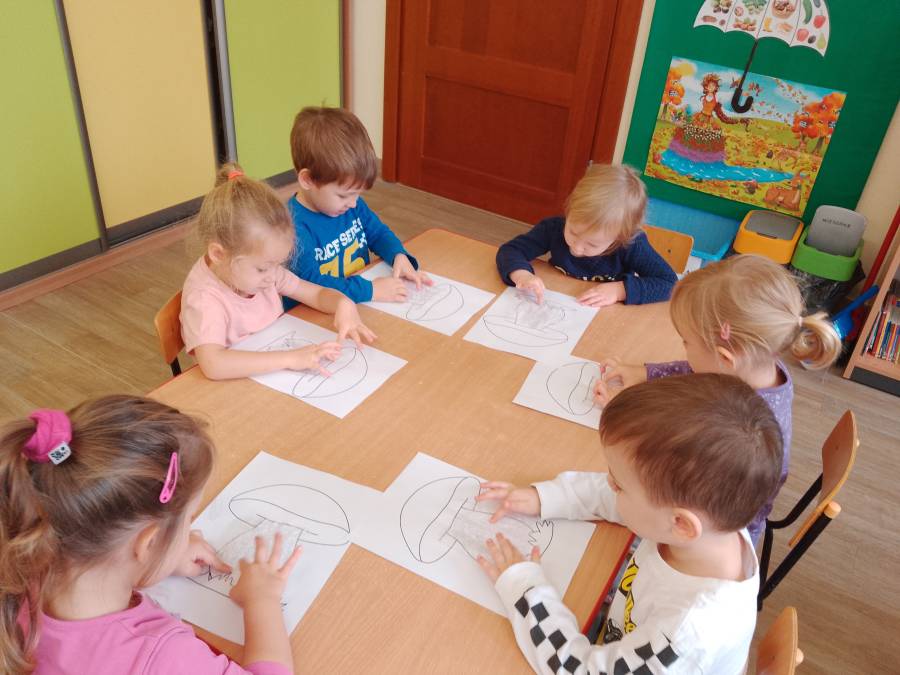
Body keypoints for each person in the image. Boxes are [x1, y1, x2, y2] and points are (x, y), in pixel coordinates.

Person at [477, 374, 783, 674]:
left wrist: (524, 588)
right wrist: (547, 497)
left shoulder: (684, 636)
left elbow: (577, 670)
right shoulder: (710, 523)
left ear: (681, 524)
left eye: (619, 484)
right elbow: (630, 500)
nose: (611, 484)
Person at [0, 395, 300, 674]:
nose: (191, 530)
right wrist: (263, 600)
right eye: (188, 520)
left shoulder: (19, 568)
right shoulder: (163, 656)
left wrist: (164, 556)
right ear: (150, 542)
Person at [593, 254, 841, 543]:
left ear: (725, 358)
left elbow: (678, 464)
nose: (684, 349)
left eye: (686, 342)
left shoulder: (741, 430)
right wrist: (645, 372)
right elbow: (698, 371)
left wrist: (626, 416)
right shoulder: (759, 363)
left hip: (715, 533)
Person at [180, 163, 375, 381]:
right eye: (263, 268)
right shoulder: (205, 299)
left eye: (278, 264)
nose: (273, 276)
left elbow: (316, 294)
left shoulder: (263, 272)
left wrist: (342, 304)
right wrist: (290, 358)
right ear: (219, 254)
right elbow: (214, 365)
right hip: (233, 390)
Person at [286, 106, 431, 304]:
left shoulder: (350, 205)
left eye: (358, 194)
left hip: (357, 303)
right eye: (344, 195)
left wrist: (398, 255)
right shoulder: (291, 227)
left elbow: (378, 233)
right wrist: (370, 290)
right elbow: (312, 284)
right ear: (308, 180)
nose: (354, 203)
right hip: (316, 313)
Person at [495, 164, 676, 307]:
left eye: (592, 244)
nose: (576, 248)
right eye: (573, 232)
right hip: (560, 295)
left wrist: (620, 291)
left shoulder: (631, 245)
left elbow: (669, 284)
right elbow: (511, 250)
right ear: (569, 209)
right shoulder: (553, 228)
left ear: (619, 237)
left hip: (605, 318)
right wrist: (522, 275)